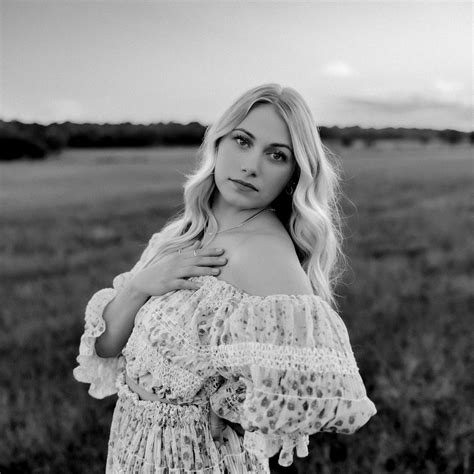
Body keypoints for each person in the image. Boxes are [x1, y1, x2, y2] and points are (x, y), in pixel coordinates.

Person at [73, 83, 377, 473]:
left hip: (199, 460)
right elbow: (106, 347)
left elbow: (330, 393)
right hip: (132, 451)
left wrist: (235, 407)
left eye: (276, 155)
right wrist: (138, 286)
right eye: (242, 141)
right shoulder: (182, 234)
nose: (251, 166)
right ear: (218, 142)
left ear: (293, 174)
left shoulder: (264, 252)